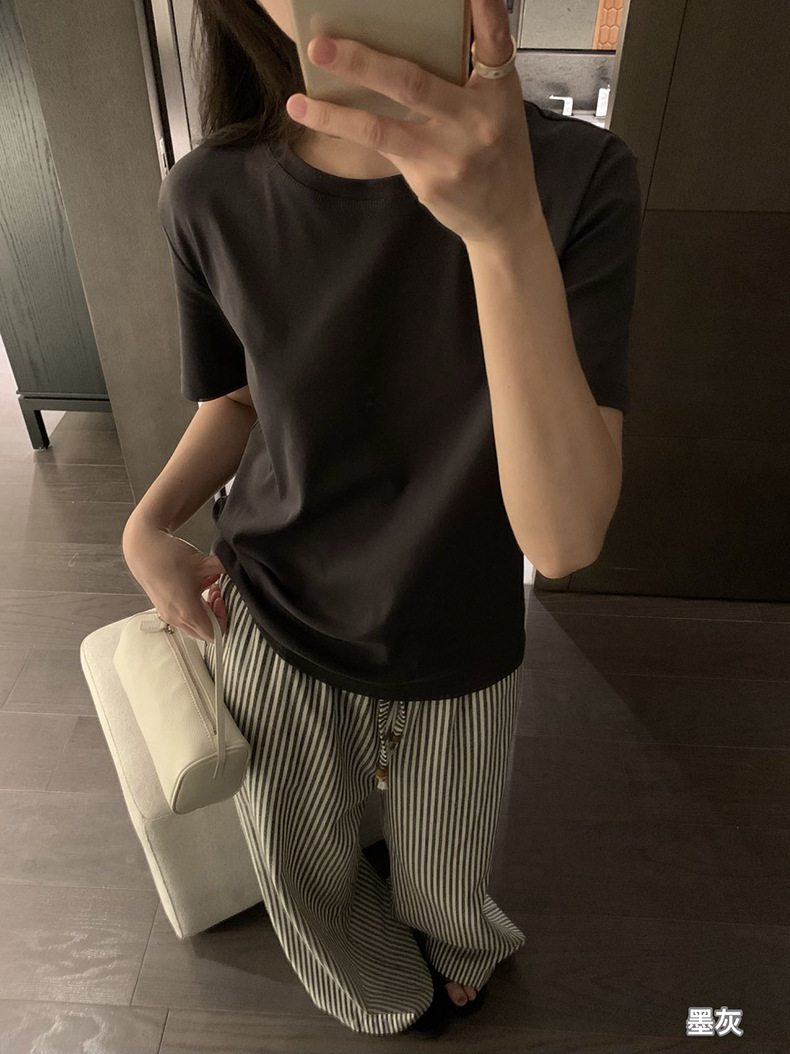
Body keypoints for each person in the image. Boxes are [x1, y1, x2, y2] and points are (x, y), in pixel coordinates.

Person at [122, 0, 641, 1038]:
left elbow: (564, 539)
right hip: (275, 609)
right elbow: (239, 401)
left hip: (460, 618)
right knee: (301, 860)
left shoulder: (578, 177)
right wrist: (148, 524)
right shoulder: (209, 191)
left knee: (448, 861)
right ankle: (370, 980)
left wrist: (502, 227)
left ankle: (456, 940)